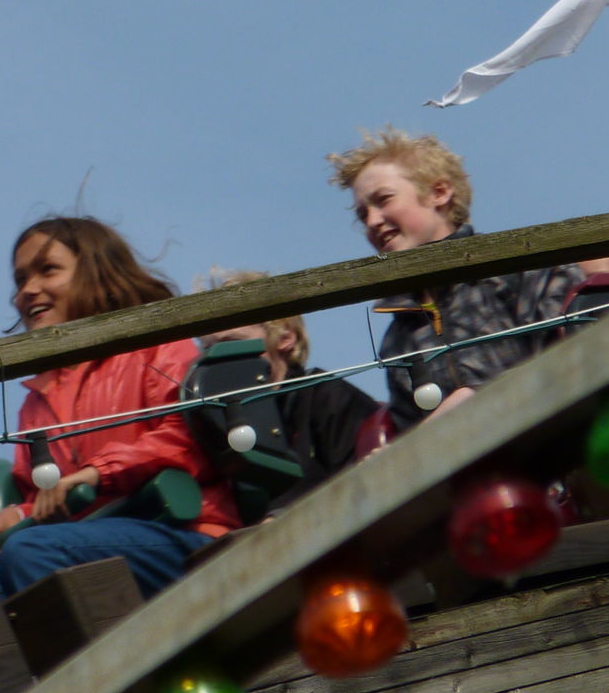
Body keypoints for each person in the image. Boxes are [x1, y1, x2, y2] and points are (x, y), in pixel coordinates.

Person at [0, 217, 240, 600]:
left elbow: (189, 438)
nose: (28, 290)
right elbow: (45, 497)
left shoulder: (157, 345)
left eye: (48, 270)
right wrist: (17, 514)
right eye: (21, 280)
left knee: (33, 550)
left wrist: (98, 474)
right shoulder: (35, 403)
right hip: (84, 541)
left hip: (184, 532)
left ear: (97, 273)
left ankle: (98, 639)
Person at [326, 128, 582, 431]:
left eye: (383, 199)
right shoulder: (397, 337)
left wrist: (477, 400)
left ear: (439, 192)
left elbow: (577, 362)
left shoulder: (522, 272)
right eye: (362, 214)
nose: (372, 221)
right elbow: (411, 435)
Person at [196, 270, 378, 510]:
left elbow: (368, 486)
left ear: (284, 337)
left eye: (232, 343)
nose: (220, 359)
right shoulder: (218, 423)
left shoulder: (325, 397)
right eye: (208, 350)